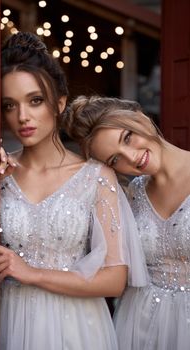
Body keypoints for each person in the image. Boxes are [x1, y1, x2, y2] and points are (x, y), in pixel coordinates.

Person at [0, 33, 147, 350]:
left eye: (35, 100)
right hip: (13, 322)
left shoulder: (96, 176)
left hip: (78, 328)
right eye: (9, 105)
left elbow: (114, 280)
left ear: (59, 102)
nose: (22, 116)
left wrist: (32, 273)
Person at [63, 94, 190, 350]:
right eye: (115, 160)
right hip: (139, 324)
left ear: (140, 117)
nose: (131, 158)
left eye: (127, 138)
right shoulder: (130, 195)